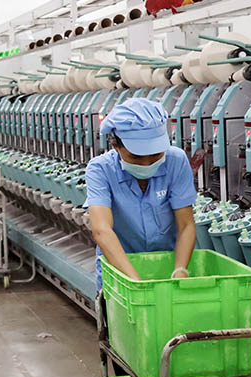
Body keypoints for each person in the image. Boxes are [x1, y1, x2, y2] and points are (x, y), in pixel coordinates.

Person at [84, 98, 197, 287]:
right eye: (136, 157)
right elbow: (102, 230)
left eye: (155, 155)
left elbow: (186, 225)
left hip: (167, 268)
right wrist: (134, 283)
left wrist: (180, 269)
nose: (147, 164)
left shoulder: (176, 161)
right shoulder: (100, 169)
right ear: (115, 145)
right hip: (120, 269)